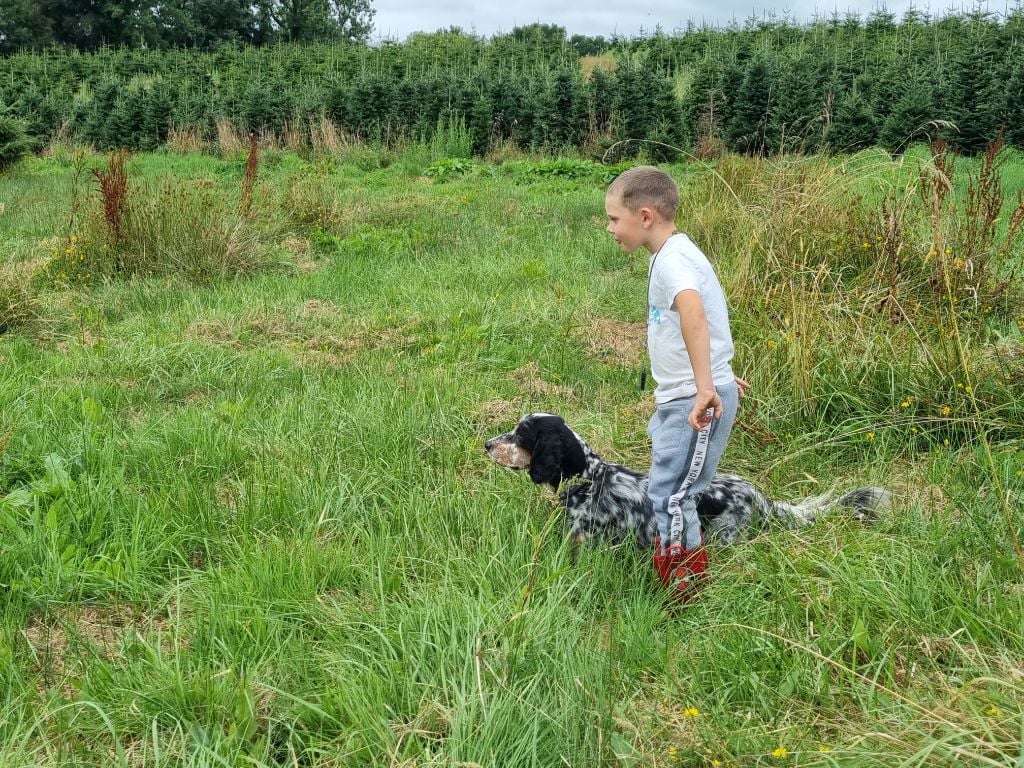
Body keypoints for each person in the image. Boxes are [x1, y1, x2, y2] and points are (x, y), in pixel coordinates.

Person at [604, 165, 748, 602]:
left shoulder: (673, 262)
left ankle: (683, 589)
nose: (610, 229)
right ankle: (678, 577)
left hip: (694, 400)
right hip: (686, 393)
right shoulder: (670, 255)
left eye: (613, 219)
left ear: (644, 216)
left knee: (671, 495)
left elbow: (694, 313)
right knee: (668, 489)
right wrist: (717, 372)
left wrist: (708, 385)